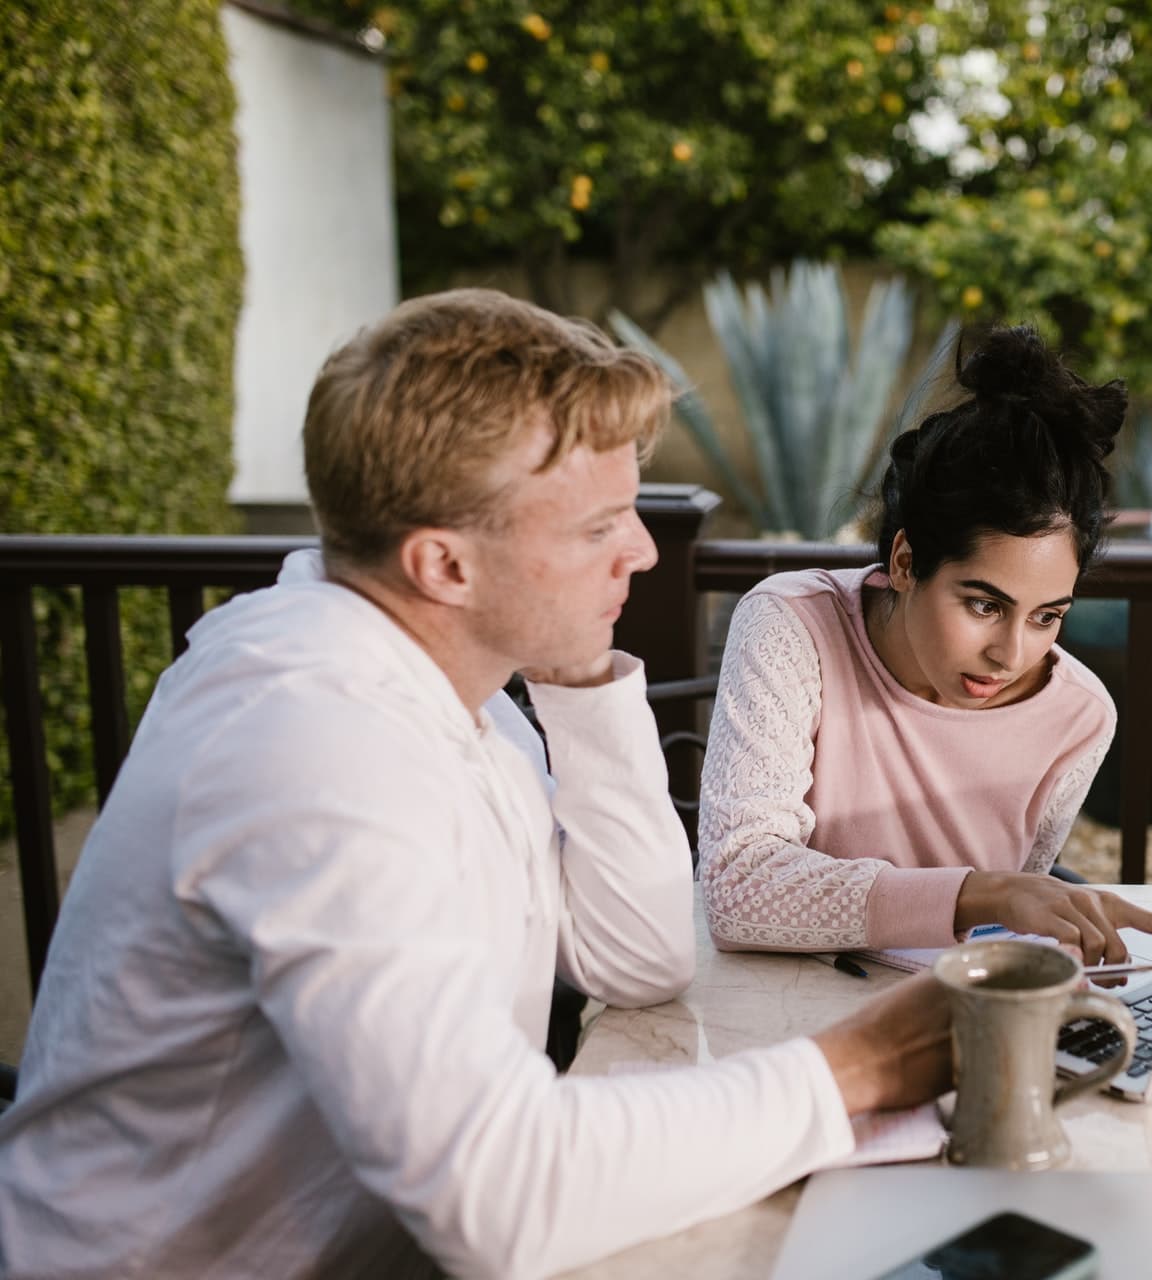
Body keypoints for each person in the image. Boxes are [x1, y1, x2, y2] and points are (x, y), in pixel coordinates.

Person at [0, 290, 949, 1279]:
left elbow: (638, 957)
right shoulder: (308, 737)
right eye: (598, 527)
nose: (643, 550)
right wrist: (858, 1068)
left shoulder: (463, 692)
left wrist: (577, 673)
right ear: (444, 563)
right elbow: (495, 1192)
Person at [700, 326, 1152, 964]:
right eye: (984, 605)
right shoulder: (792, 629)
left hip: (955, 1015)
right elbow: (737, 889)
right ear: (906, 561)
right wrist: (979, 894)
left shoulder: (1079, 717)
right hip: (786, 1016)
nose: (1011, 654)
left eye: (1047, 616)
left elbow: (1003, 925)